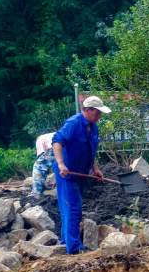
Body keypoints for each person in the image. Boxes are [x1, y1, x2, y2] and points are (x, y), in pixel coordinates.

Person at [52, 96, 111, 254]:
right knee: (73, 208)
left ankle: (66, 242)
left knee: (69, 207)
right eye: (97, 112)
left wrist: (95, 168)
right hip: (68, 172)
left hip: (81, 173)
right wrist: (60, 164)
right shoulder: (73, 123)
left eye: (100, 113)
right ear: (87, 110)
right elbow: (56, 141)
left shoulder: (94, 126)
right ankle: (75, 249)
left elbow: (90, 150)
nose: (99, 116)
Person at [31, 132, 56, 197]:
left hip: (55, 145)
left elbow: (40, 155)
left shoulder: (39, 139)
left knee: (38, 167)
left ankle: (35, 193)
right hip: (67, 146)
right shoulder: (50, 136)